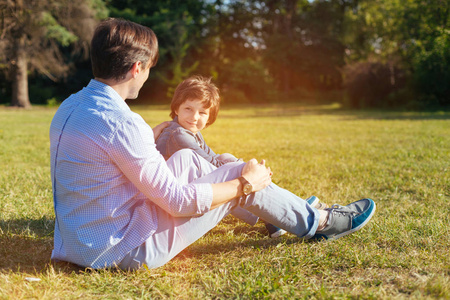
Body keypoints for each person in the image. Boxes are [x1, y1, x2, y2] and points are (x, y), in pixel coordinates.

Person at [49, 18, 376, 270]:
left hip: (79, 243)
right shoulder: (123, 122)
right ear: (137, 68)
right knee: (237, 172)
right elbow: (177, 202)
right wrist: (244, 184)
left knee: (188, 160)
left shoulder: (70, 108)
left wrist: (143, 139)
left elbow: (99, 157)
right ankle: (318, 222)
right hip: (121, 249)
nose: (148, 74)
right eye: (149, 68)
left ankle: (275, 215)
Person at [155, 75, 327, 238]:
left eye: (202, 113)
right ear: (176, 108)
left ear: (209, 117)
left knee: (227, 160)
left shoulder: (189, 130)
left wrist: (236, 163)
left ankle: (280, 211)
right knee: (230, 175)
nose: (194, 117)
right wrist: (244, 168)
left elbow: (212, 156)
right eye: (188, 109)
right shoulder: (178, 135)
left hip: (184, 190)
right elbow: (212, 166)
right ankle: (277, 214)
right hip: (175, 200)